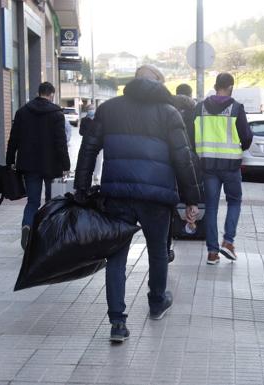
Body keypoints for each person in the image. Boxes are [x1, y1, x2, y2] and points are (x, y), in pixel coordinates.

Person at [74, 64, 202, 343]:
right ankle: (157, 302)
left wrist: (80, 188)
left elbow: (88, 149)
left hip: (117, 195)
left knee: (116, 257)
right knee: (158, 252)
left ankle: (117, 322)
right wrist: (192, 200)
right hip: (156, 198)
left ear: (133, 81)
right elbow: (183, 158)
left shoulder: (109, 109)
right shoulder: (168, 113)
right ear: (158, 83)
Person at [193, 73, 253, 265]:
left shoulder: (199, 107)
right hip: (230, 165)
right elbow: (246, 136)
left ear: (215, 85)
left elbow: (190, 134)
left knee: (211, 207)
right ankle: (228, 242)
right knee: (234, 201)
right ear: (231, 87)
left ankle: (212, 253)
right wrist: (239, 147)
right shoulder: (236, 108)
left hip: (207, 165)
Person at [6, 82, 70, 250]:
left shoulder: (22, 112)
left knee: (33, 201)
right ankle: (48, 236)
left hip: (29, 165)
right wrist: (66, 164)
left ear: (38, 92)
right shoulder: (56, 113)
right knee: (51, 201)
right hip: (51, 165)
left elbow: (13, 139)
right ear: (52, 94)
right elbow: (60, 142)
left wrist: (10, 160)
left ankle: (27, 225)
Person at [166, 83, 199, 263]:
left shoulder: (166, 107)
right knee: (187, 195)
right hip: (189, 158)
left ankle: (167, 243)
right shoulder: (195, 110)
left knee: (169, 204)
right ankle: (188, 222)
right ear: (190, 93)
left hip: (167, 162)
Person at [79, 104, 103, 184]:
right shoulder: (84, 120)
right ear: (87, 110)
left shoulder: (99, 119)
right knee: (88, 160)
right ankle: (89, 175)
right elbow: (81, 132)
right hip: (87, 143)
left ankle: (96, 175)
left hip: (98, 143)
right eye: (89, 109)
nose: (91, 110)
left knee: (99, 160)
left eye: (92, 109)